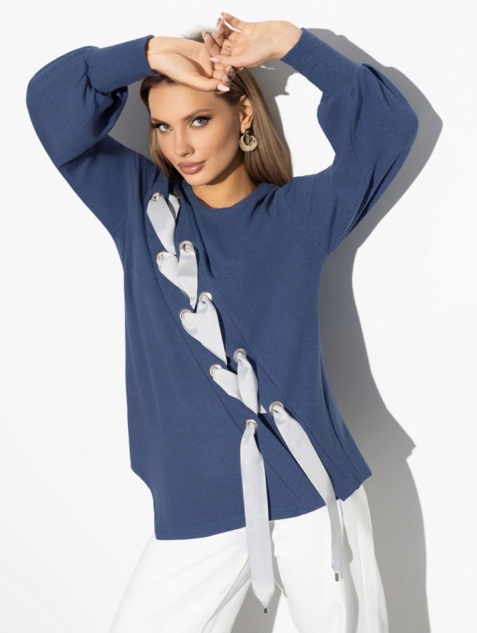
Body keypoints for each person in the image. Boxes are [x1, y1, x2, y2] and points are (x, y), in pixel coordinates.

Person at [26, 11, 418, 633]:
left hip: (314, 493)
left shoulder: (299, 216)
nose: (179, 145)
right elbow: (48, 102)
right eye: (163, 126)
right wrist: (149, 53)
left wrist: (293, 43)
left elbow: (389, 128)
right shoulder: (139, 207)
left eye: (199, 120)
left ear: (244, 117)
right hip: (199, 503)